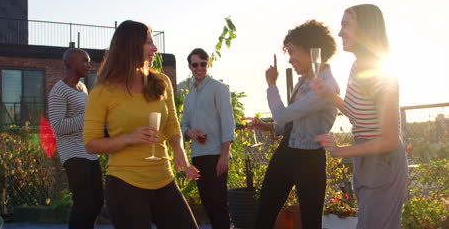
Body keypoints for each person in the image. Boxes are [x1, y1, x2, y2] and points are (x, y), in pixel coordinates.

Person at [82, 20, 200, 229]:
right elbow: (91, 144)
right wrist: (129, 138)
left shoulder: (161, 82)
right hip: (124, 184)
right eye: (148, 43)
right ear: (130, 46)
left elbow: (172, 124)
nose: (155, 48)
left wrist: (179, 149)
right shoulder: (102, 92)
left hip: (164, 179)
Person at [312, 4, 408, 229]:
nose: (340, 33)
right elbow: (359, 115)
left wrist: (340, 151)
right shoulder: (358, 66)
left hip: (382, 160)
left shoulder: (379, 74)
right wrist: (330, 95)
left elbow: (390, 140)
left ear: (364, 29)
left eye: (346, 24)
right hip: (367, 158)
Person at [248, 20, 339, 229]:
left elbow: (282, 115)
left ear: (311, 49)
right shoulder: (305, 80)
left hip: (309, 159)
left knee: (310, 222)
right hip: (286, 153)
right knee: (264, 214)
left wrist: (271, 84)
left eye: (292, 52)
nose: (290, 60)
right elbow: (292, 122)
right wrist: (269, 127)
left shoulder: (325, 86)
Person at [48, 48, 104, 229]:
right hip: (73, 154)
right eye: (85, 61)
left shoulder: (82, 88)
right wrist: (89, 116)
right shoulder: (59, 91)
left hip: (89, 151)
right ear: (70, 64)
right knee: (84, 204)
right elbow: (58, 126)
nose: (89, 65)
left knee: (97, 202)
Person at [180, 48, 235, 229]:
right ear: (190, 66)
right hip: (198, 156)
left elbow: (228, 122)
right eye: (195, 64)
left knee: (219, 204)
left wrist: (225, 154)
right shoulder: (189, 97)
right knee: (208, 205)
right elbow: (183, 125)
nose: (199, 68)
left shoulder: (219, 89)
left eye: (203, 64)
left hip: (216, 155)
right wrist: (189, 133)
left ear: (207, 64)